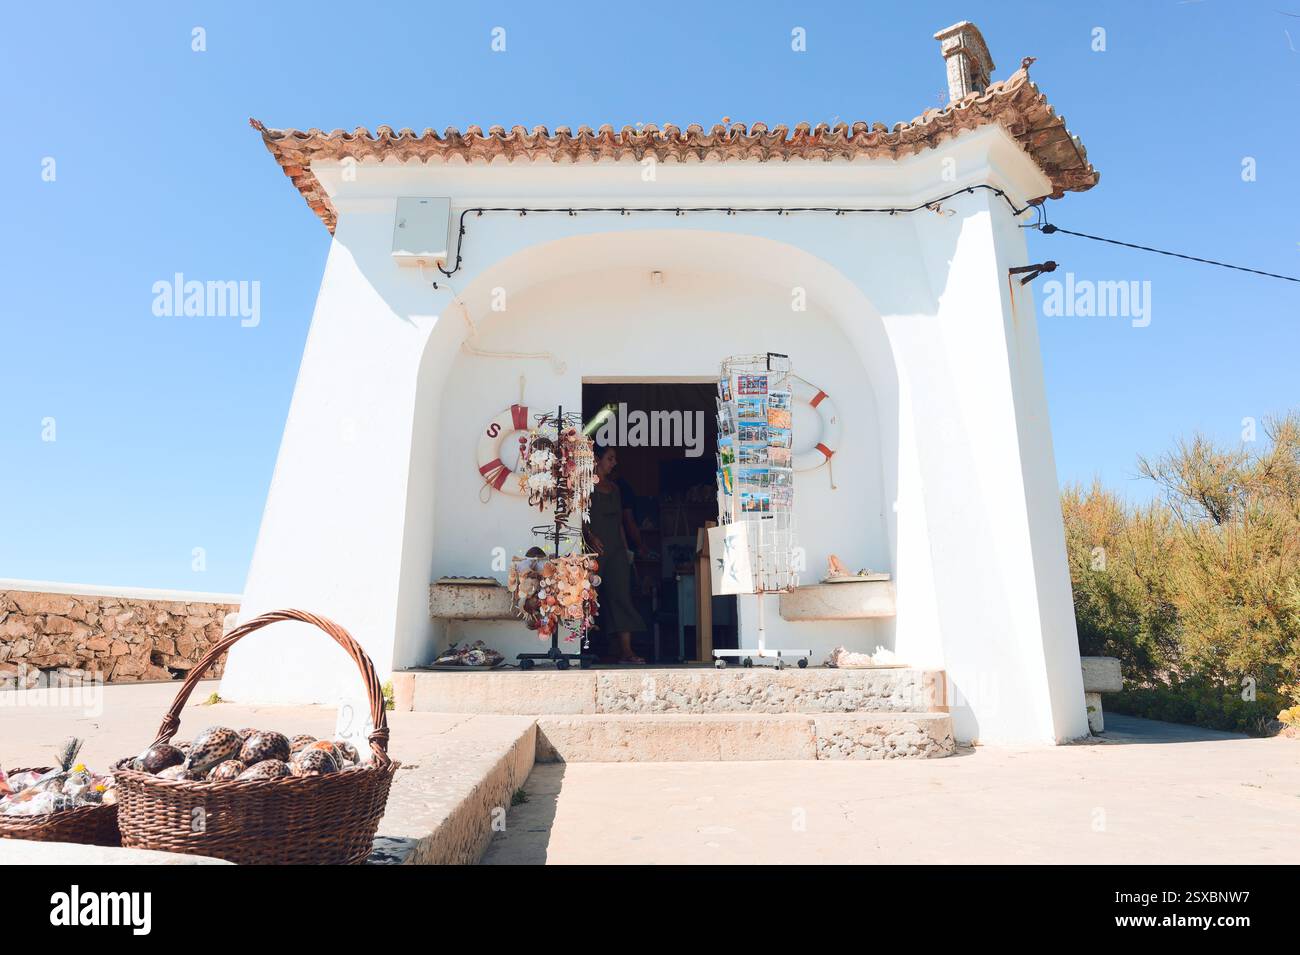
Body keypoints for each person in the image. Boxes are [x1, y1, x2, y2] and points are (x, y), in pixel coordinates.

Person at [586, 445, 647, 663]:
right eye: (610, 458)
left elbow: (621, 522)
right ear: (597, 459)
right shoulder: (585, 487)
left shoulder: (615, 488)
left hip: (616, 551)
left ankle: (626, 651)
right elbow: (579, 520)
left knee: (621, 597)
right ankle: (581, 649)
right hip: (593, 551)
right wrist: (590, 537)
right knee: (587, 599)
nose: (614, 463)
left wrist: (625, 550)